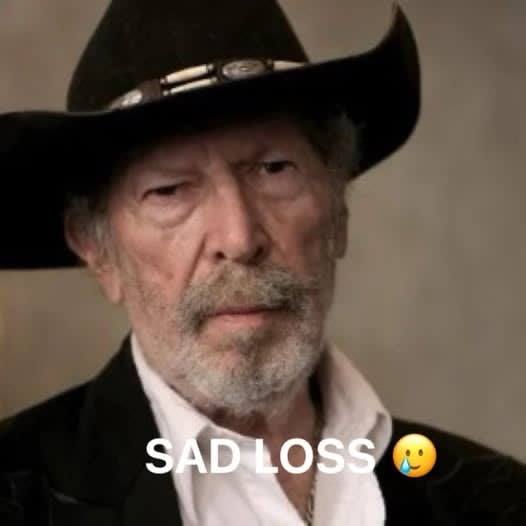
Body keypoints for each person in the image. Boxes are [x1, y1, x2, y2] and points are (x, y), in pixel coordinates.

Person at [0, 1, 524, 525]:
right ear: (97, 251)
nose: (239, 237)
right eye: (169, 190)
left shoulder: (496, 503)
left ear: (338, 212)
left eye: (274, 169)